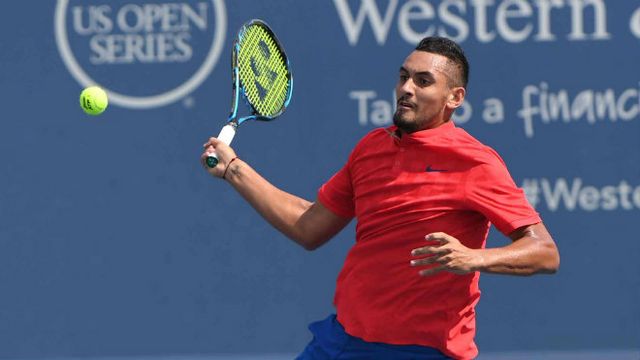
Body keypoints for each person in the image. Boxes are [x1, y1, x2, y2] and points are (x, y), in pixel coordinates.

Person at [201, 37, 560, 360]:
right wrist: (234, 169)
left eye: (423, 81)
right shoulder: (371, 148)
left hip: (421, 351)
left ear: (455, 98)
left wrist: (473, 258)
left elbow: (544, 252)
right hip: (341, 340)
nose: (406, 88)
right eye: (403, 77)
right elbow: (309, 226)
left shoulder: (476, 162)